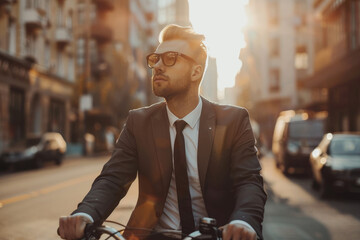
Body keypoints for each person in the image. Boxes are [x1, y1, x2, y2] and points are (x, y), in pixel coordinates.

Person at [58, 24, 267, 240]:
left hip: (214, 236)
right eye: (155, 59)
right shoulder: (138, 122)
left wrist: (243, 221)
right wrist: (86, 213)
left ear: (196, 71)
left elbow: (249, 181)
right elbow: (113, 179)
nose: (157, 66)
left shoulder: (233, 120)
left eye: (170, 58)